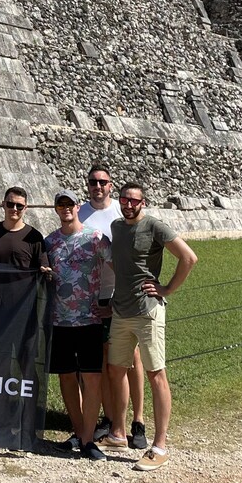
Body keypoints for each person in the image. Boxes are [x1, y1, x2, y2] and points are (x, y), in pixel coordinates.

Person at [105, 182, 198, 471]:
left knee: (157, 374)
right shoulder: (118, 227)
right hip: (120, 310)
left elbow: (189, 257)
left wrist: (167, 289)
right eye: (124, 199)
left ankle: (159, 445)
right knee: (116, 369)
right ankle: (119, 433)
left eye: (134, 201)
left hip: (147, 311)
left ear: (143, 203)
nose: (128, 204)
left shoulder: (155, 226)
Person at [80, 163, 147, 449]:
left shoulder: (123, 212)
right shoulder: (80, 211)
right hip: (93, 295)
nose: (98, 186)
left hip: (121, 293)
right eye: (93, 182)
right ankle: (110, 418)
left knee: (132, 358)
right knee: (106, 361)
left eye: (103, 182)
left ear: (110, 185)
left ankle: (138, 420)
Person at [44, 191, 113, 461]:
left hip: (89, 319)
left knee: (93, 378)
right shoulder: (50, 242)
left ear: (77, 207)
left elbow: (118, 266)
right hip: (59, 320)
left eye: (69, 204)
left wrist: (114, 304)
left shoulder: (95, 238)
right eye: (60, 205)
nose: (65, 209)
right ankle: (79, 432)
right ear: (56, 209)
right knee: (67, 377)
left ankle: (87, 438)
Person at [0, 186, 48, 450]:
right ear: (3, 204)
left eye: (20, 206)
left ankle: (27, 430)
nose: (15, 209)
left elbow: (43, 266)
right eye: (11, 204)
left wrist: (45, 270)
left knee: (28, 372)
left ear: (26, 208)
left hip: (25, 315)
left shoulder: (34, 237)